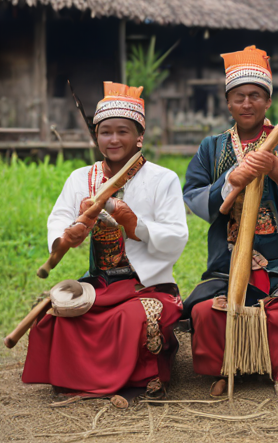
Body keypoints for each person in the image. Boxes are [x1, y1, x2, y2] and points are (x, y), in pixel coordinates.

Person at [22, 82, 188, 406]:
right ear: (96, 136)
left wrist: (133, 223)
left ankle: (137, 377)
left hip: (146, 286)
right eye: (105, 132)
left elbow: (176, 237)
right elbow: (58, 221)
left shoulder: (162, 178)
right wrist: (65, 237)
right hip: (99, 284)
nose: (113, 140)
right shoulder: (80, 178)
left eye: (122, 131)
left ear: (139, 136)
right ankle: (82, 379)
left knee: (132, 320)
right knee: (58, 316)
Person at [183, 45, 278, 396]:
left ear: (267, 102)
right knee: (206, 314)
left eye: (254, 96)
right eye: (238, 97)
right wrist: (231, 180)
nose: (246, 104)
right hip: (227, 266)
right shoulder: (212, 147)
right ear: (228, 103)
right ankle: (228, 365)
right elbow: (194, 198)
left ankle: (271, 366)